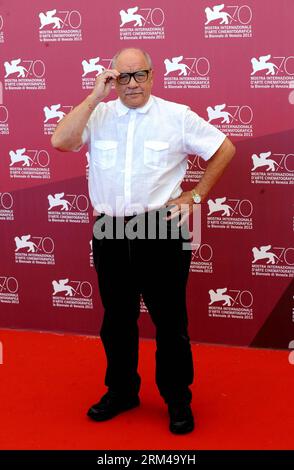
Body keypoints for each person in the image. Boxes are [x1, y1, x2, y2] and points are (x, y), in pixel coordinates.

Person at [51, 47, 235, 434]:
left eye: (139, 75)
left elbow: (224, 148)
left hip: (160, 229)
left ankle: (178, 400)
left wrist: (196, 195)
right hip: (110, 229)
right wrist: (92, 97)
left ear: (153, 76)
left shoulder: (176, 116)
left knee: (170, 322)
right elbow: (61, 141)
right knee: (116, 321)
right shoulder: (97, 114)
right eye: (123, 76)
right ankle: (121, 392)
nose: (132, 84)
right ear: (112, 79)